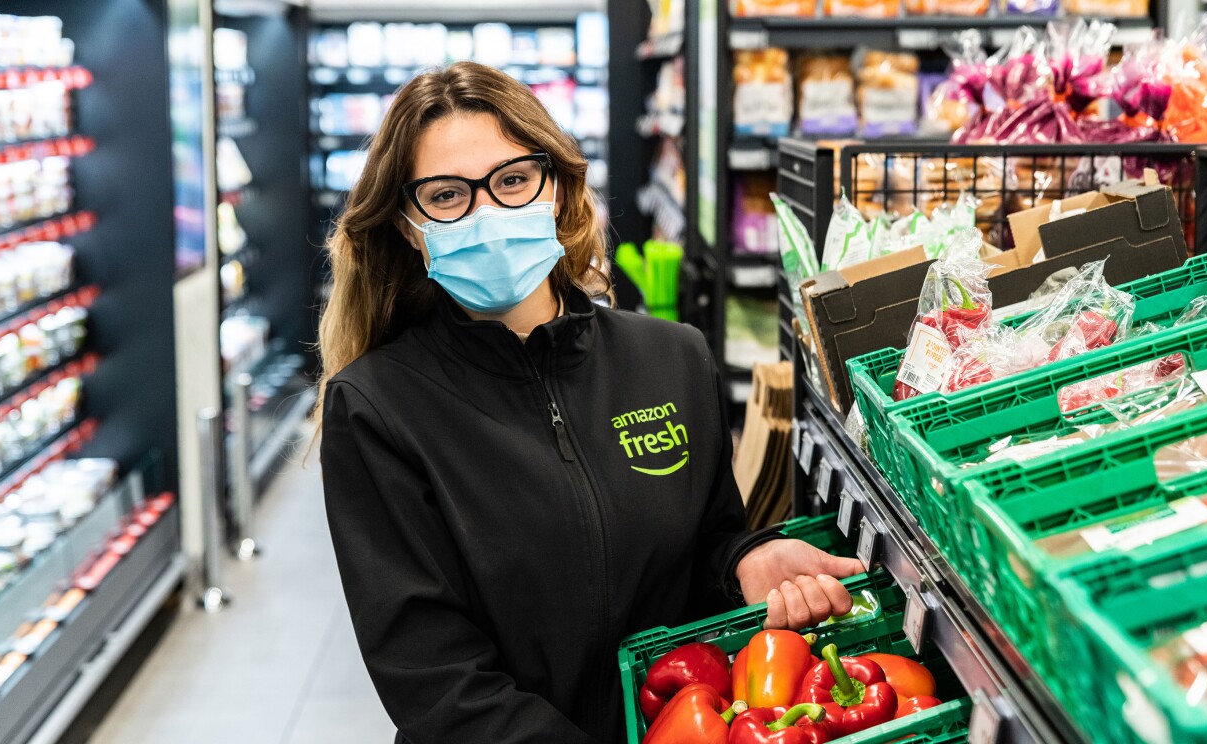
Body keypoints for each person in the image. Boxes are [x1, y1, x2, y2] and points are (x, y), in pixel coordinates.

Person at [317, 61, 864, 744]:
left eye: (513, 180)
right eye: (448, 195)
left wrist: (742, 563)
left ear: (555, 187)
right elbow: (435, 682)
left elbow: (701, 548)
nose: (489, 213)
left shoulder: (672, 359)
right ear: (406, 223)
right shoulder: (377, 408)